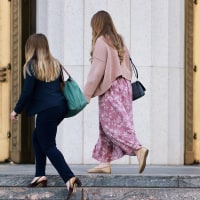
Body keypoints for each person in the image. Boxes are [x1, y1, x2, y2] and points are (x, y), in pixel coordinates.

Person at [10, 33, 81, 200]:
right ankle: (40, 176)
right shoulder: (55, 63)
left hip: (47, 110)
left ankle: (69, 178)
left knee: (48, 144)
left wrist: (16, 110)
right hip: (60, 107)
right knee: (37, 138)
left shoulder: (31, 66)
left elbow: (27, 92)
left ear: (31, 48)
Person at [84, 10, 149, 174]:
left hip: (111, 87)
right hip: (124, 87)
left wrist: (86, 94)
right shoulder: (119, 41)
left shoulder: (101, 41)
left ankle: (138, 149)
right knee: (111, 124)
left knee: (110, 125)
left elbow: (96, 72)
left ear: (97, 25)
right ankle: (104, 162)